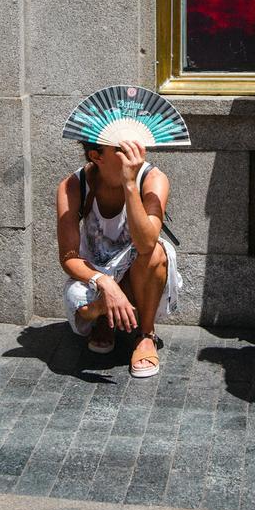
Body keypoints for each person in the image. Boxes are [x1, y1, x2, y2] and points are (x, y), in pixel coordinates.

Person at [56, 139, 181, 378]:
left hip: (139, 270)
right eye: (121, 150)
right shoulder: (73, 186)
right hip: (95, 271)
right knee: (83, 308)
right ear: (97, 156)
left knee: (156, 253)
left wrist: (130, 185)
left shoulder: (153, 179)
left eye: (135, 144)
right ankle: (104, 319)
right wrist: (105, 283)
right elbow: (68, 257)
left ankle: (145, 335)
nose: (134, 153)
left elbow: (146, 244)